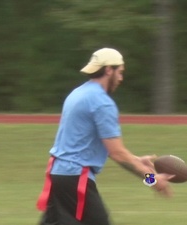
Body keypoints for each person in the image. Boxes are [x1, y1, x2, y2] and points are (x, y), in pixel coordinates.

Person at [36, 47, 174, 225]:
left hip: (59, 175)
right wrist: (152, 179)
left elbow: (100, 145)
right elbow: (117, 153)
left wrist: (136, 160)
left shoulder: (78, 93)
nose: (121, 78)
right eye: (120, 72)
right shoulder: (102, 103)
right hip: (75, 177)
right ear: (109, 70)